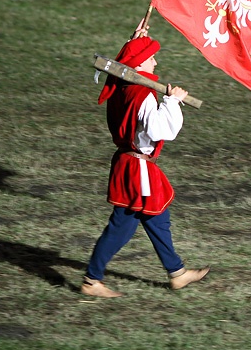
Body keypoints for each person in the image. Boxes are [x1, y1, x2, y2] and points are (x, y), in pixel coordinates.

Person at [81, 31, 209, 297]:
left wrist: (135, 38)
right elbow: (161, 130)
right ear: (138, 65)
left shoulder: (120, 83)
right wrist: (172, 101)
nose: (156, 64)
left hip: (133, 164)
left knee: (158, 218)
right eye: (151, 58)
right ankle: (92, 280)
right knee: (122, 227)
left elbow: (124, 59)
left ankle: (177, 273)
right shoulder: (143, 95)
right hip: (136, 168)